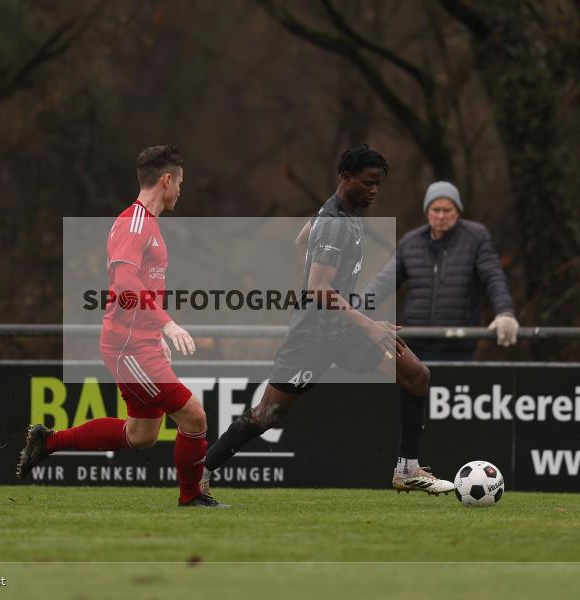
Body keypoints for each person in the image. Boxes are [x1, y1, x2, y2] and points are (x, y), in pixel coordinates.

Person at [200, 146, 455, 498]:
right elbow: (318, 288)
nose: (375, 190)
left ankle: (407, 469)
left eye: (378, 183)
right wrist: (368, 324)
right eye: (368, 183)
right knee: (266, 416)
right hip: (312, 338)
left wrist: (344, 306)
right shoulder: (335, 223)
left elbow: (301, 241)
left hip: (343, 328)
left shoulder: (342, 212)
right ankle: (203, 468)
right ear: (347, 178)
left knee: (415, 375)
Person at [16, 145, 227, 508]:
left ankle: (47, 442)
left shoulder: (146, 224)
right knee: (194, 415)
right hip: (130, 346)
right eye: (180, 183)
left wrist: (157, 331)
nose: (180, 191)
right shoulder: (134, 224)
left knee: (142, 434)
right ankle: (191, 497)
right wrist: (168, 324)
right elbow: (126, 283)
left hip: (138, 341)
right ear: (166, 180)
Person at [363, 181, 518, 361]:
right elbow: (383, 283)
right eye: (436, 210)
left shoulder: (476, 237)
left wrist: (505, 312)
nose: (441, 216)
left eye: (447, 210)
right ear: (427, 212)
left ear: (458, 211)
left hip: (458, 343)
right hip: (414, 343)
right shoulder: (410, 242)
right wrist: (356, 312)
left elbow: (493, 277)